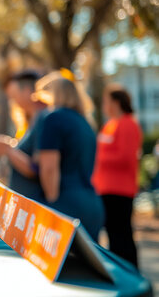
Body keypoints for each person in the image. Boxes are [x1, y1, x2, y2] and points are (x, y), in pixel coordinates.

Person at [34, 71, 104, 241]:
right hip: (92, 204)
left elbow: (49, 168)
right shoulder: (85, 122)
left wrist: (52, 203)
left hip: (66, 204)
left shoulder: (54, 118)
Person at [92, 84, 142, 267]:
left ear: (115, 103)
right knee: (113, 236)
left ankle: (130, 274)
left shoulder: (128, 124)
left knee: (122, 236)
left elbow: (126, 157)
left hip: (120, 190)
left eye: (106, 102)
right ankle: (119, 271)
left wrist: (98, 157)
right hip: (105, 189)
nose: (104, 106)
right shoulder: (110, 125)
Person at [0, 70, 48, 202]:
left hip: (36, 202)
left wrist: (8, 149)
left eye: (14, 96)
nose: (13, 102)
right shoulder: (29, 122)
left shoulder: (43, 120)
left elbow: (36, 168)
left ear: (27, 91)